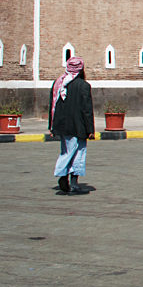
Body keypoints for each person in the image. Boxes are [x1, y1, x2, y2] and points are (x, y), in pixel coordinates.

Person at [49, 56, 94, 195]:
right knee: (78, 153)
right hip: (78, 126)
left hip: (62, 126)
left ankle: (66, 179)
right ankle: (68, 179)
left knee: (66, 150)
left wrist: (51, 127)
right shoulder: (83, 86)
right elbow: (87, 110)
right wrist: (90, 130)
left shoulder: (58, 84)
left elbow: (52, 106)